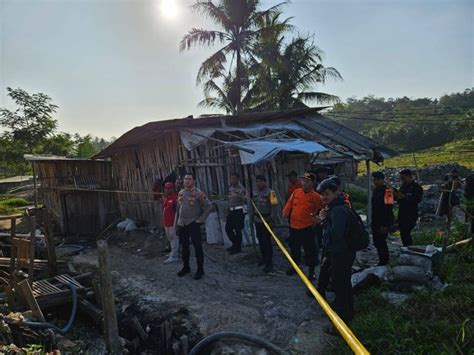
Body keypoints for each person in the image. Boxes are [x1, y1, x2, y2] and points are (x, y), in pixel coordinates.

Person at [316, 178, 356, 326]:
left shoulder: (338, 210)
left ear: (336, 193)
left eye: (327, 194)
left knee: (342, 285)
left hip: (342, 253)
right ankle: (344, 311)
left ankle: (344, 318)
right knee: (341, 283)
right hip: (339, 252)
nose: (323, 197)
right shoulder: (335, 207)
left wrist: (323, 220)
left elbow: (336, 234)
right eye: (322, 194)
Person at [283, 172, 323, 279]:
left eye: (307, 181)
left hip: (307, 227)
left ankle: (311, 272)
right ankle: (295, 268)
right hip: (294, 226)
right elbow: (290, 203)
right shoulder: (296, 192)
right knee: (294, 248)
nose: (304, 183)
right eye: (303, 180)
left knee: (310, 250)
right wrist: (285, 212)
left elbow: (322, 209)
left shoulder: (316, 197)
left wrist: (318, 219)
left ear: (313, 183)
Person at [176, 173, 213, 280]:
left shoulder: (198, 193)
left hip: (193, 223)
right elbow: (179, 209)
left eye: (189, 179)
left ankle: (200, 270)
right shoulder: (181, 193)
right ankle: (186, 267)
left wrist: (200, 220)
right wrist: (177, 224)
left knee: (197, 247)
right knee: (184, 247)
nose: (187, 181)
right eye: (185, 179)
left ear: (193, 181)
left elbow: (209, 206)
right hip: (182, 223)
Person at [253, 175, 278, 273]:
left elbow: (275, 206)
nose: (258, 183)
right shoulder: (256, 192)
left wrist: (272, 219)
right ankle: (263, 258)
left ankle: (269, 263)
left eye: (260, 181)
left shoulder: (271, 192)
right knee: (260, 241)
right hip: (257, 220)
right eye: (257, 181)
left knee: (267, 242)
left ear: (265, 182)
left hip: (267, 220)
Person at [371, 172, 394, 266]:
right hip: (376, 220)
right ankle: (382, 260)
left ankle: (384, 261)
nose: (375, 182)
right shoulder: (376, 190)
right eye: (374, 180)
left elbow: (389, 208)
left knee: (381, 242)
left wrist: (385, 224)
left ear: (382, 180)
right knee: (377, 241)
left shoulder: (388, 191)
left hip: (383, 221)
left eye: (377, 179)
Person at [396, 169, 423, 246]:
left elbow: (417, 199)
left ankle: (409, 248)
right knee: (403, 233)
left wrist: (404, 197)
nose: (402, 180)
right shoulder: (403, 187)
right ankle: (407, 247)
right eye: (401, 178)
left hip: (411, 214)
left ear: (410, 177)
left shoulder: (416, 187)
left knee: (406, 232)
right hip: (402, 213)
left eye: (404, 178)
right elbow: (399, 199)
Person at [225, 173, 247, 255]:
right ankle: (235, 244)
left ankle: (237, 247)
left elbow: (245, 199)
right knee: (228, 228)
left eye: (234, 178)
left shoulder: (242, 189)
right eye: (231, 179)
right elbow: (229, 200)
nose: (232, 180)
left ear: (238, 179)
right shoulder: (230, 188)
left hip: (238, 210)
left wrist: (240, 196)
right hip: (231, 210)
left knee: (238, 230)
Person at [163, 182, 179, 264]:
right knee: (169, 238)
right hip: (166, 222)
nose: (166, 190)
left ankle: (174, 256)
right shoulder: (166, 198)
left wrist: (175, 224)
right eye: (166, 188)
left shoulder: (175, 199)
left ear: (173, 189)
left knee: (174, 238)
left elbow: (177, 212)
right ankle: (172, 252)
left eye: (169, 188)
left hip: (173, 222)